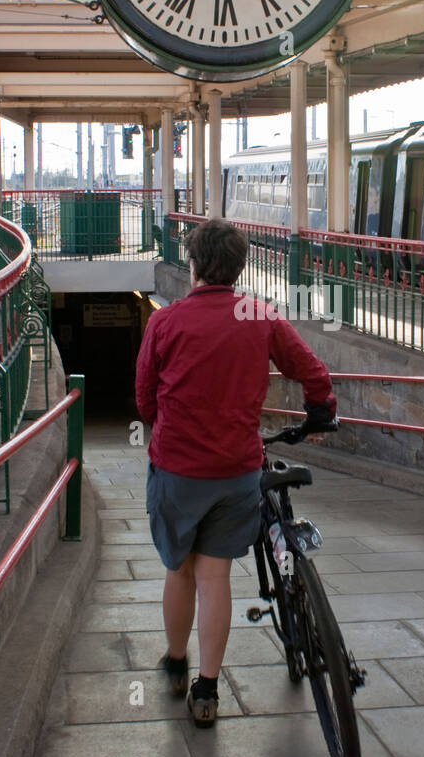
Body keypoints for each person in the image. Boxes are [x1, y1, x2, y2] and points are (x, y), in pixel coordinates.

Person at [135, 218, 337, 728]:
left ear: (195, 264)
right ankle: (207, 690)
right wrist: (319, 411)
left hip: (177, 469)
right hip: (237, 471)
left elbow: (143, 396)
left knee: (178, 569)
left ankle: (177, 661)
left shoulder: (166, 321)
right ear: (240, 266)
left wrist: (163, 432)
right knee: (215, 574)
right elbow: (314, 372)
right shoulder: (259, 315)